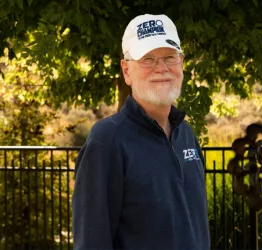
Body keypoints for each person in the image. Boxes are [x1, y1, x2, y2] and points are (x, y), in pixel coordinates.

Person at [72, 13, 210, 250]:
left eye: (170, 57)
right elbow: (91, 241)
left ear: (182, 64)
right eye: (147, 59)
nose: (162, 68)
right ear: (126, 70)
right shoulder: (107, 141)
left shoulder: (185, 134)